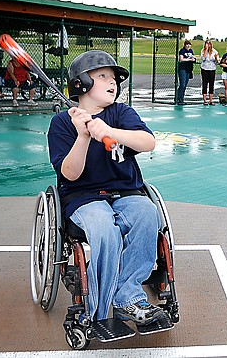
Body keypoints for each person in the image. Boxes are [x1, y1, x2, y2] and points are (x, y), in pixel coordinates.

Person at [47, 50, 165, 325]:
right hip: (83, 198)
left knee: (147, 214)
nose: (112, 82)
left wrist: (110, 132)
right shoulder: (63, 123)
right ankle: (96, 310)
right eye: (103, 76)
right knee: (104, 229)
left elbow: (147, 142)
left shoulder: (122, 113)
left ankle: (128, 298)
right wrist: (83, 136)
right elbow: (70, 173)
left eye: (113, 78)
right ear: (81, 84)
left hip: (126, 192)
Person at [176, 40, 195, 105]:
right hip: (182, 69)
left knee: (185, 85)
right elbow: (181, 59)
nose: (188, 46)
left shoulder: (191, 51)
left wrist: (193, 59)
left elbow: (193, 58)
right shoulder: (182, 50)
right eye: (187, 44)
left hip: (188, 69)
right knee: (182, 84)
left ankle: (181, 99)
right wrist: (189, 59)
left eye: (189, 44)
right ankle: (178, 98)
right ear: (185, 45)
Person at [200, 40, 219, 105]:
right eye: (207, 44)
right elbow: (203, 59)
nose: (208, 45)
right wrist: (206, 50)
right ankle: (205, 100)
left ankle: (211, 100)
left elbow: (217, 62)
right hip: (204, 68)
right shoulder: (203, 51)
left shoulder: (214, 51)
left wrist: (216, 58)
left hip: (212, 69)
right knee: (204, 84)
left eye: (209, 44)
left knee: (211, 84)